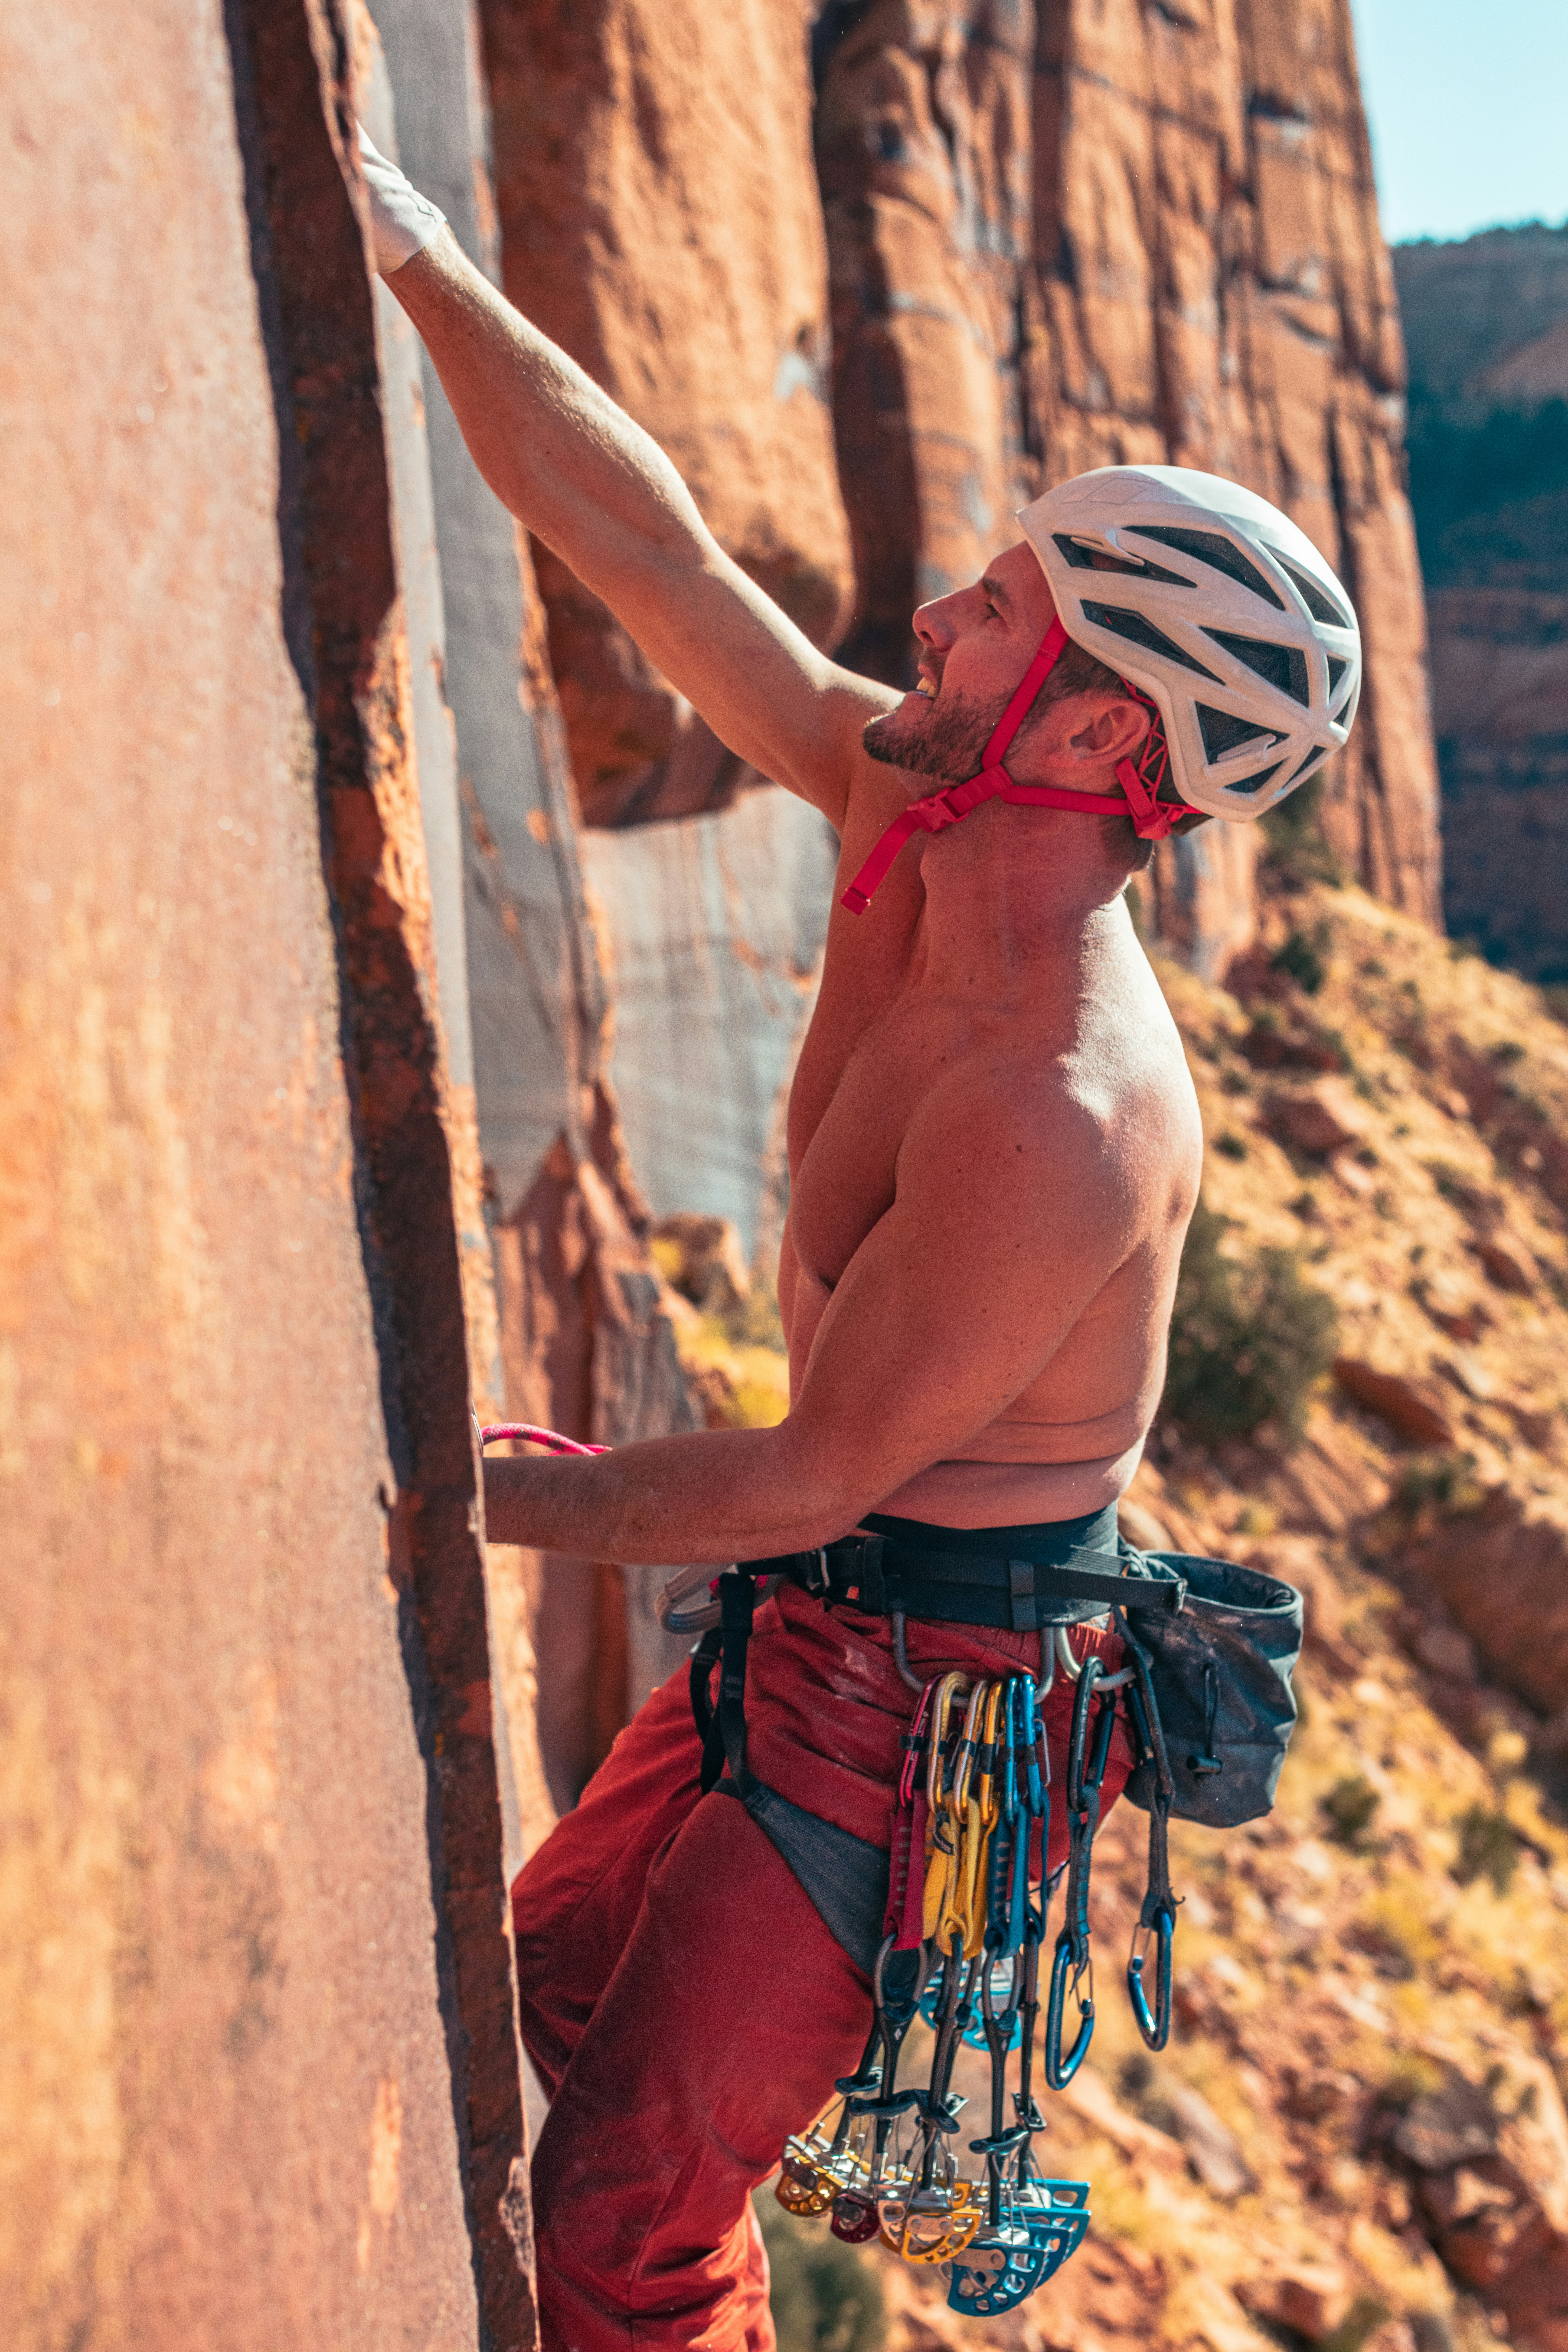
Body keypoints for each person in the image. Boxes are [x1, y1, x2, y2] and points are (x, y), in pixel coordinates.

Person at [360, 134, 1360, 2352]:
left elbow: (816, 1466)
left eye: (997, 608)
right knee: (551, 1982)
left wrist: (452, 1503)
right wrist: (417, 255)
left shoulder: (1060, 1111)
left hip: (926, 1727)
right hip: (815, 1616)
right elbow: (655, 552)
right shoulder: (906, 801)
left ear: (1099, 731)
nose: (935, 613)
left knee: (620, 2219)